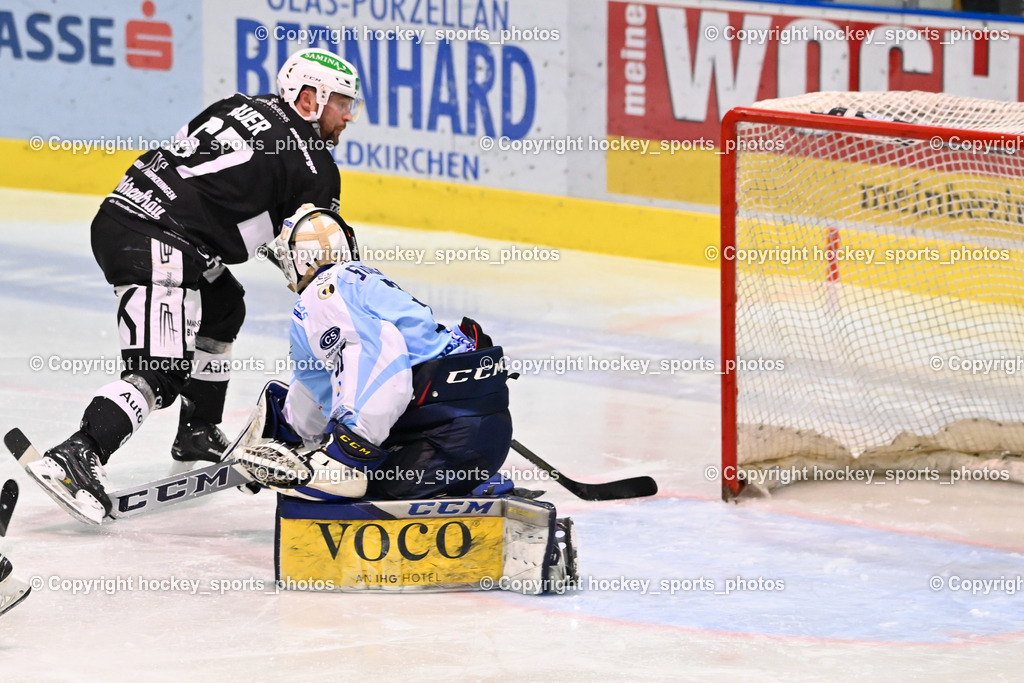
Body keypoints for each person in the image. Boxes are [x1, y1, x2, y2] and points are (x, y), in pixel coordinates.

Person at [36, 48, 363, 523]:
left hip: (129, 214)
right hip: (158, 240)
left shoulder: (238, 105)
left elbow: (210, 185)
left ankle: (199, 428)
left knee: (224, 305)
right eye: (341, 103)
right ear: (309, 99)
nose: (348, 117)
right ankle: (77, 455)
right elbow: (313, 260)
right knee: (160, 370)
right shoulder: (314, 166)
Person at [233, 205, 514, 501]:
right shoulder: (360, 282)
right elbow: (319, 384)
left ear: (296, 260)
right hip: (482, 435)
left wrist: (349, 452)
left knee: (361, 488)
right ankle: (472, 483)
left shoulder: (321, 292)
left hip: (442, 436)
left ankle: (352, 462)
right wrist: (290, 438)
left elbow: (379, 349)